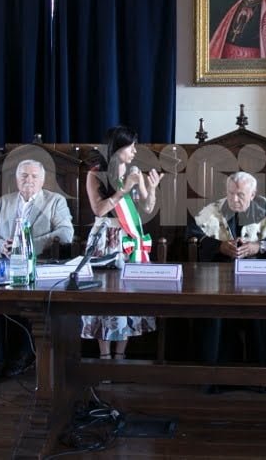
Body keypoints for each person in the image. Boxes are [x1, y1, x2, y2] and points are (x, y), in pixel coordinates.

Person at [0, 159, 73, 385]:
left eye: (34, 176)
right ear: (16, 179)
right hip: (5, 265)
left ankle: (26, 354)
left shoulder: (55, 201)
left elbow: (66, 233)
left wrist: (27, 244)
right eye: (24, 176)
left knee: (31, 297)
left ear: (42, 180)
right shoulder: (2, 202)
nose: (29, 180)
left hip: (38, 265)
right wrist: (0, 244)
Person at [186, 171, 266, 369]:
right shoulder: (213, 210)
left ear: (253, 194)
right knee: (213, 313)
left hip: (257, 276)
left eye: (240, 195)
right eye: (230, 193)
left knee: (261, 314)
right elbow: (192, 234)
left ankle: (260, 374)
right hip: (220, 276)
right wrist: (219, 247)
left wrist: (258, 247)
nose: (234, 199)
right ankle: (213, 374)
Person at [81, 125, 159, 360]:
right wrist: (123, 189)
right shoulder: (96, 174)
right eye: (131, 146)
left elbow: (147, 208)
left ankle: (120, 356)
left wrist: (152, 189)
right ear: (116, 148)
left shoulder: (135, 172)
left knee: (127, 294)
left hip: (130, 237)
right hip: (106, 238)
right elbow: (99, 209)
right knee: (104, 296)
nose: (135, 151)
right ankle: (104, 356)